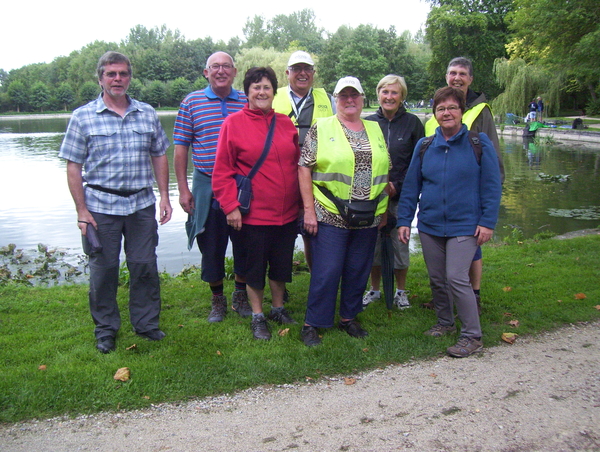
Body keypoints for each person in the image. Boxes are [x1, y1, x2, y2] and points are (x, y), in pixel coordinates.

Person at [59, 51, 172, 354]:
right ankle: (106, 329)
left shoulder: (147, 113)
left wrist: (164, 196)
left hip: (141, 206)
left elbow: (159, 154)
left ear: (129, 78)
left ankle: (147, 324)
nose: (117, 79)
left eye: (122, 73)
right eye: (111, 74)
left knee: (144, 266)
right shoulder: (82, 117)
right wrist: (81, 211)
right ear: (101, 79)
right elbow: (73, 166)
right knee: (104, 270)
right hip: (100, 208)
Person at [398, 86, 501, 358]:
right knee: (437, 278)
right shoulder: (425, 146)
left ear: (461, 111)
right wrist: (405, 220)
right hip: (431, 225)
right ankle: (445, 322)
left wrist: (488, 222)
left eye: (452, 107)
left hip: (465, 225)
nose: (447, 113)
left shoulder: (478, 144)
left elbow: (491, 186)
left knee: (456, 276)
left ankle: (472, 335)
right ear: (435, 113)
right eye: (441, 108)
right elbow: (411, 187)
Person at [298, 76, 389, 347]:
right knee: (327, 270)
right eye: (343, 96)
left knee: (357, 269)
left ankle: (349, 317)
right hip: (329, 213)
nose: (350, 100)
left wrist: (383, 210)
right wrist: (308, 211)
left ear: (362, 99)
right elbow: (304, 167)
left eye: (355, 95)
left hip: (368, 215)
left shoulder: (375, 128)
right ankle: (312, 323)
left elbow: (384, 169)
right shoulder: (322, 126)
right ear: (336, 99)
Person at [213, 67, 301, 340]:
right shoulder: (233, 124)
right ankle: (257, 315)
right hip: (253, 215)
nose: (262, 92)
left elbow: (298, 164)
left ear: (274, 92)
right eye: (256, 87)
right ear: (248, 92)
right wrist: (230, 206)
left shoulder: (286, 123)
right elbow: (222, 171)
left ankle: (277, 308)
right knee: (254, 269)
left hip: (285, 213)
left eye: (266, 87)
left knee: (280, 266)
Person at [173, 52, 250, 323]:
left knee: (245, 242)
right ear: (206, 72)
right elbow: (181, 147)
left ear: (234, 71)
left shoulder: (246, 99)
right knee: (211, 244)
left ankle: (241, 295)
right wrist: (183, 189)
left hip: (241, 184)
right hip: (206, 183)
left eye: (226, 66)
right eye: (215, 67)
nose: (220, 71)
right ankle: (217, 299)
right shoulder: (191, 102)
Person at [424, 57, 505, 313]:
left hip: (470, 192)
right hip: (440, 195)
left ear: (470, 79)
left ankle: (474, 294)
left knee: (472, 248)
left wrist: (486, 209)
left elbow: (492, 157)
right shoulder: (437, 109)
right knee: (444, 251)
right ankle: (446, 299)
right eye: (452, 73)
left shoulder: (480, 111)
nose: (456, 77)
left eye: (462, 73)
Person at [362, 75, 425, 310]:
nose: (389, 97)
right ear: (378, 94)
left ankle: (400, 291)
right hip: (372, 197)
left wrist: (397, 185)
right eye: (385, 92)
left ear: (402, 97)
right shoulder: (367, 123)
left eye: (394, 93)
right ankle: (375, 289)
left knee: (400, 243)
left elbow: (418, 161)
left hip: (402, 195)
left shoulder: (413, 124)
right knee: (373, 244)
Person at [272, 50, 335, 272]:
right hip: (281, 176)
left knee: (313, 230)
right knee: (282, 232)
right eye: (297, 69)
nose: (302, 73)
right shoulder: (272, 95)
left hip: (317, 177)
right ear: (287, 73)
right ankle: (280, 279)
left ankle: (316, 277)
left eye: (307, 69)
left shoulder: (327, 99)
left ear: (313, 73)